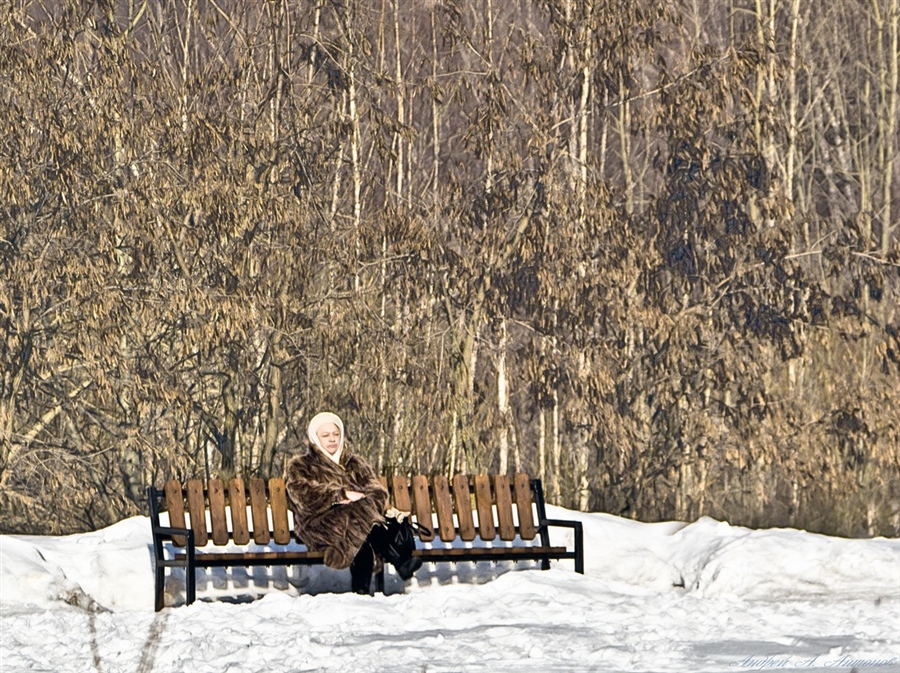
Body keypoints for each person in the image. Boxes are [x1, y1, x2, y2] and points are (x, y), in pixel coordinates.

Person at [284, 411, 422, 594]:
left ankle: (361, 592)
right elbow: (303, 495)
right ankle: (400, 560)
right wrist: (340, 495)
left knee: (358, 532)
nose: (332, 439)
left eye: (336, 434)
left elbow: (377, 492)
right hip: (319, 524)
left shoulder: (354, 463)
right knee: (359, 521)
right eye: (325, 435)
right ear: (314, 438)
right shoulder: (301, 466)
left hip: (357, 522)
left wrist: (363, 500)